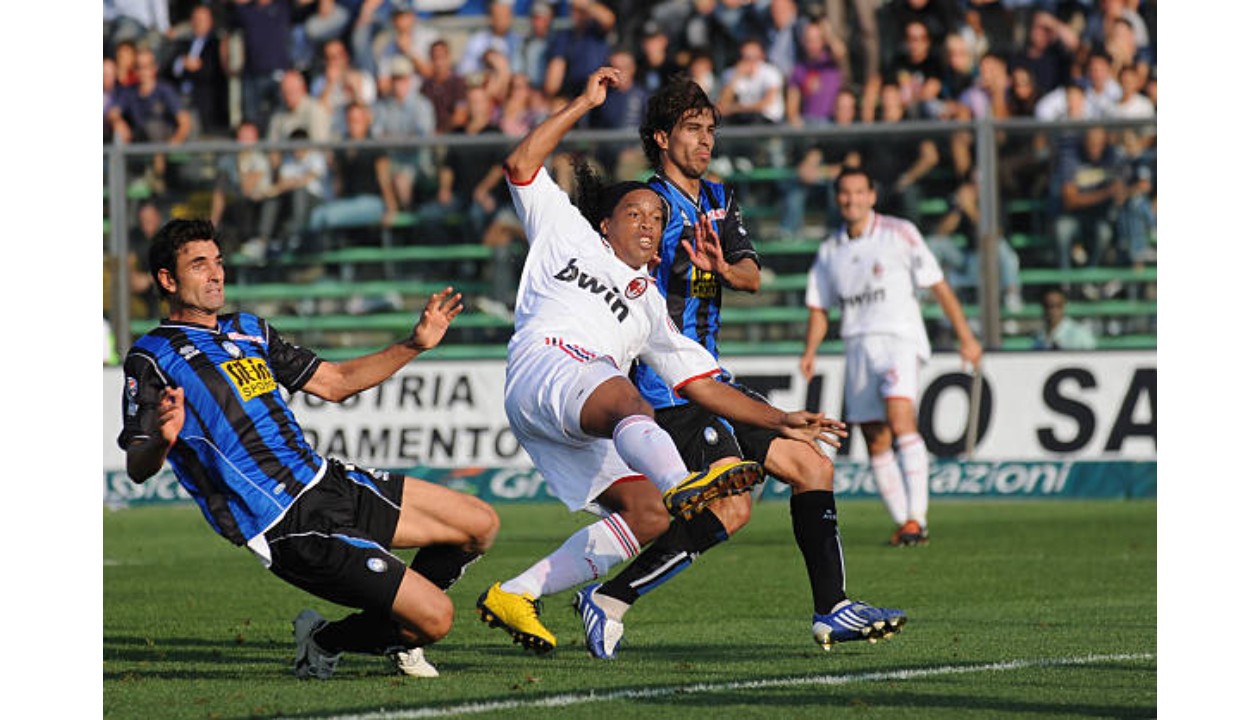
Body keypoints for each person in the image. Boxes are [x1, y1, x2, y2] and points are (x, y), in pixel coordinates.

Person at [474, 67, 848, 656]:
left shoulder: (649, 306)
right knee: (683, 467)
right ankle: (682, 484)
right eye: (637, 215)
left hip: (596, 398)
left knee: (647, 516)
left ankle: (522, 593)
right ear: (605, 223)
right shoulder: (568, 234)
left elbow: (699, 375)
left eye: (656, 218)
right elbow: (521, 164)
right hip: (560, 372)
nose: (651, 224)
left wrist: (780, 418)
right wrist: (584, 102)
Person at [571, 75, 906, 661]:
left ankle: (832, 609)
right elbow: (622, 275)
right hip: (664, 387)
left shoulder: (720, 198)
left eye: (711, 130)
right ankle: (610, 598)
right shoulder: (647, 206)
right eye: (693, 130)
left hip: (710, 376)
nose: (706, 141)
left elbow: (752, 275)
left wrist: (725, 269)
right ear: (661, 137)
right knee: (733, 503)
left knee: (810, 465)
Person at [117, 217, 499, 680]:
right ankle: (325, 641)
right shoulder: (152, 356)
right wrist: (161, 437)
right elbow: (138, 465)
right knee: (436, 618)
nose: (216, 274)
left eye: (217, 262)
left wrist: (414, 344)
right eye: (199, 265)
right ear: (167, 279)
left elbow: (334, 383)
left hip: (327, 480)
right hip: (285, 523)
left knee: (480, 525)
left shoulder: (249, 329)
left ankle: (397, 630)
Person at [799, 166, 983, 547]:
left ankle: (918, 517)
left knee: (901, 420)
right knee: (875, 438)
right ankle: (906, 525)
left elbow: (938, 285)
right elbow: (820, 308)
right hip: (857, 345)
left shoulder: (900, 233)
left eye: (859, 192)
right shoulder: (830, 250)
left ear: (872, 196)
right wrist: (811, 350)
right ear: (838, 199)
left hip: (899, 339)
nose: (852, 199)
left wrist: (967, 337)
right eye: (845, 193)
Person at [166, 3, 230, 138]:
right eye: (195, 19)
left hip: (203, 102)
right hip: (180, 99)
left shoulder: (216, 43)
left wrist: (195, 67)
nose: (198, 23)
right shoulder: (183, 43)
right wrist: (183, 63)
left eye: (202, 19)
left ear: (210, 21)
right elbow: (170, 68)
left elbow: (213, 71)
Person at [1032, 287, 1097, 350]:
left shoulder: (1080, 334)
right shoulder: (1039, 337)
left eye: (1058, 305)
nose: (1053, 310)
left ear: (1064, 305)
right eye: (1048, 306)